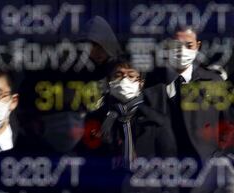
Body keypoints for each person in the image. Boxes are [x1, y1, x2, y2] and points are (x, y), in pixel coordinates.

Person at [143, 26, 225, 192]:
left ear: (198, 45)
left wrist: (217, 158)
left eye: (189, 45)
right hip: (162, 170)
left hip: (204, 169)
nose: (181, 51)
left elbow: (226, 123)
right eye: (175, 45)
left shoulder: (213, 82)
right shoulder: (150, 81)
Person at [81, 61, 177, 193]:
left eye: (131, 76)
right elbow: (88, 164)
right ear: (109, 81)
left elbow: (170, 165)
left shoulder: (156, 120)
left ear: (141, 83)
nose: (124, 80)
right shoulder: (98, 119)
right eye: (118, 75)